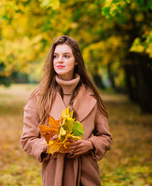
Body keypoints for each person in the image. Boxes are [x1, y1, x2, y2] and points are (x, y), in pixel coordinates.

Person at [20, 35, 112, 186]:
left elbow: (106, 137)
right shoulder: (39, 97)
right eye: (55, 56)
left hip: (87, 175)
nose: (59, 60)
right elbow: (27, 140)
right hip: (55, 176)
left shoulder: (92, 96)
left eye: (66, 56)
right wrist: (50, 146)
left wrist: (90, 144)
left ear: (76, 60)